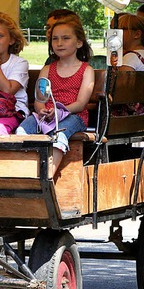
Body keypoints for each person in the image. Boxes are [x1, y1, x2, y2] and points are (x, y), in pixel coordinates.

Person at [16, 16, 95, 179]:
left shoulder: (86, 70)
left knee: (59, 134)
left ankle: (47, 176)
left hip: (74, 115)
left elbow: (81, 104)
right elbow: (40, 100)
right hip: (47, 115)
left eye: (66, 38)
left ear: (79, 43)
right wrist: (42, 110)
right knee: (22, 130)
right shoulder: (47, 70)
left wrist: (59, 111)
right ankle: (24, 172)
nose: (59, 43)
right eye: (55, 39)